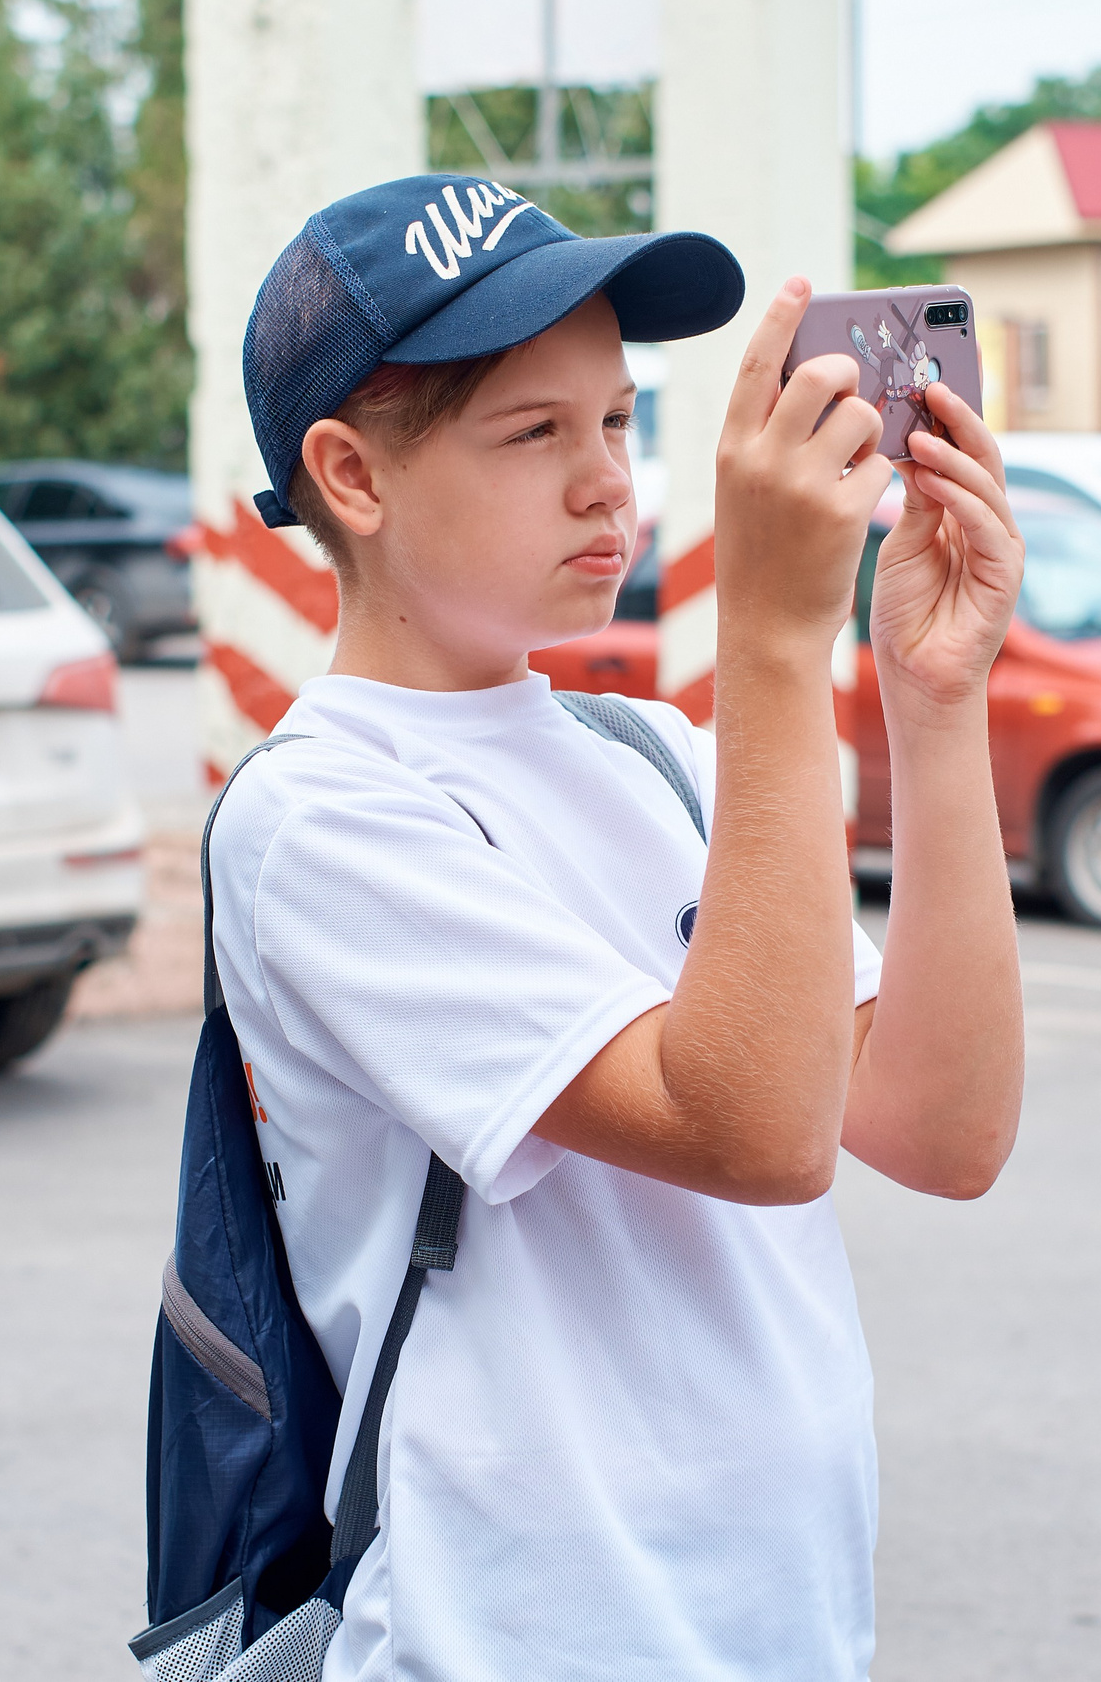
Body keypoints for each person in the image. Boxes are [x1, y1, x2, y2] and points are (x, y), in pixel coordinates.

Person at [212, 173, 1025, 1679]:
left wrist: (935, 700)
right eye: (534, 433)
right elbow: (759, 1135)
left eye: (616, 422)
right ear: (352, 474)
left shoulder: (650, 753)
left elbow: (938, 1128)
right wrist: (779, 641)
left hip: (781, 1631)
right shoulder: (320, 815)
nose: (606, 484)